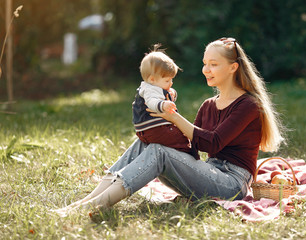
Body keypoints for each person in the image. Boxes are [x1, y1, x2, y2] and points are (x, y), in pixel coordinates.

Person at [53, 37, 284, 216]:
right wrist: (164, 133)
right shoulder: (208, 105)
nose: (206, 70)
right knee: (146, 142)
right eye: (205, 64)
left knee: (159, 151)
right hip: (208, 174)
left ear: (233, 68)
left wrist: (174, 119)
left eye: (214, 64)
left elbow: (212, 142)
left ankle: (94, 206)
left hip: (231, 184)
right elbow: (193, 146)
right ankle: (85, 202)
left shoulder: (248, 105)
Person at [133, 45, 193, 156]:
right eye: (167, 80)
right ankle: (187, 153)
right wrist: (163, 104)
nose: (171, 83)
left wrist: (171, 94)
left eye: (172, 80)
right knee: (180, 138)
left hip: (149, 130)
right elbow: (152, 102)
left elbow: (164, 95)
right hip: (155, 128)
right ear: (152, 79)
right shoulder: (149, 90)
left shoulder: (154, 86)